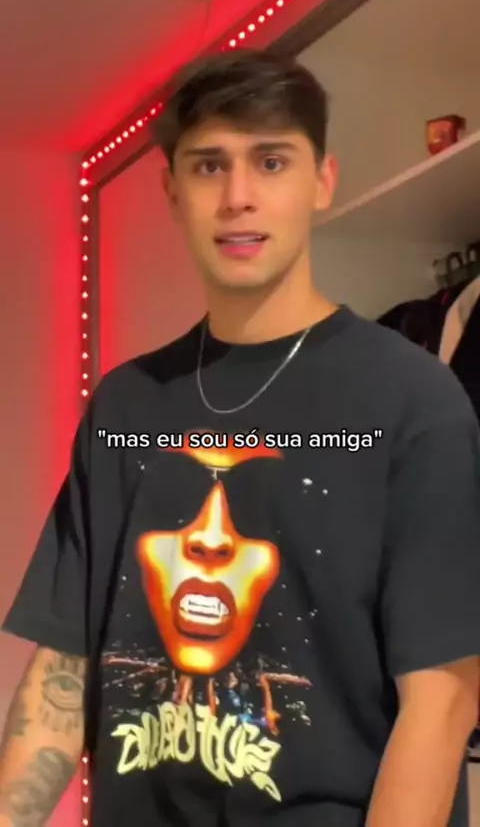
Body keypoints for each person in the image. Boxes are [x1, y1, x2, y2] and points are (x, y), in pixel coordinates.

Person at [0, 48, 479, 827]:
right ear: (173, 191)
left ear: (322, 181)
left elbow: (443, 701)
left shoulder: (413, 401)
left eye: (272, 161)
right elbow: (63, 666)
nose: (239, 197)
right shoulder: (125, 407)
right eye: (209, 166)